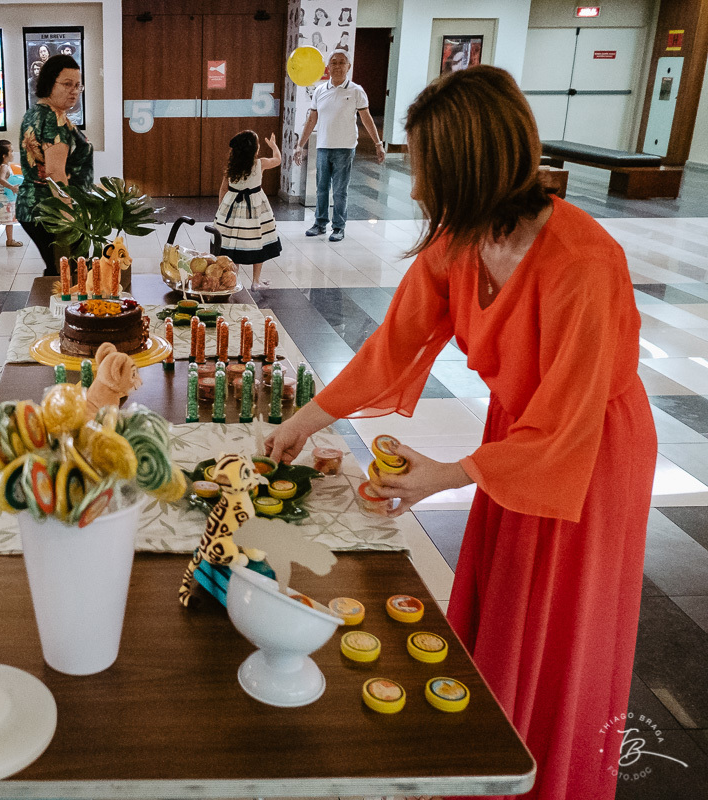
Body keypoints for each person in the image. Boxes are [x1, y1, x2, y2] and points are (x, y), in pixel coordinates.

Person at [266, 66, 655, 800]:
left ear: (471, 172)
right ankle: (482, 742)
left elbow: (566, 422)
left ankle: (542, 774)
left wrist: (445, 475)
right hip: (519, 438)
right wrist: (305, 419)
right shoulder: (461, 242)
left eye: (428, 170)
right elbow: (392, 345)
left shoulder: (582, 263)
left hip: (589, 450)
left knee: (555, 619)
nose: (416, 189)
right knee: (502, 594)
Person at [294, 50, 384, 242]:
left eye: (341, 62)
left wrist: (378, 143)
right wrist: (300, 145)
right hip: (323, 146)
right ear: (328, 67)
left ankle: (338, 227)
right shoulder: (320, 90)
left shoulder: (356, 91)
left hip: (345, 147)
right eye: (333, 62)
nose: (337, 66)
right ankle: (319, 224)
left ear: (348, 66)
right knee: (321, 188)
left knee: (340, 190)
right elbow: (311, 119)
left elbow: (366, 118)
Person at [17, 54, 93, 276]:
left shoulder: (36, 112)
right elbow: (55, 172)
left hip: (35, 207)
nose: (74, 91)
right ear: (50, 83)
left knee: (59, 271)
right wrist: (68, 218)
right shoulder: (53, 119)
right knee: (70, 276)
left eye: (77, 85)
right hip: (52, 210)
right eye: (67, 84)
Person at [213, 130, 282, 290]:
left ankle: (233, 279)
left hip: (232, 208)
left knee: (233, 243)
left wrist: (221, 210)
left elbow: (223, 189)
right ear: (255, 149)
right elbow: (277, 160)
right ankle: (256, 281)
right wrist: (273, 146)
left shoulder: (231, 167)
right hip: (255, 211)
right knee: (259, 241)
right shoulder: (260, 164)